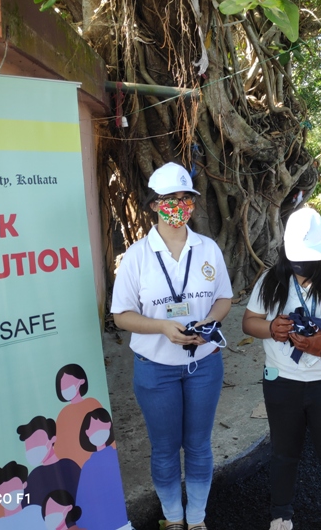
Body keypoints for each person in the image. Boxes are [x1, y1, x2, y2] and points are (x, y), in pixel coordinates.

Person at [112, 162, 233, 530]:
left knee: (198, 446)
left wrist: (208, 322)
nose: (178, 206)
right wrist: (163, 327)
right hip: (155, 369)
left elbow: (224, 298)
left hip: (204, 365)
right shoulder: (137, 256)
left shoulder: (208, 249)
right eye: (169, 199)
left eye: (185, 198)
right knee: (165, 449)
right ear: (153, 205)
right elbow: (121, 315)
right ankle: (173, 519)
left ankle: (196, 520)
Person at [242, 207, 321, 530]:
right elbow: (249, 322)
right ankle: (281, 515)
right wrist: (272, 329)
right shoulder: (272, 280)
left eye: (309, 256)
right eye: (296, 256)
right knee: (284, 453)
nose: (303, 265)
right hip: (282, 382)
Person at [75, 408, 129, 530]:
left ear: (108, 424)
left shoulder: (115, 456)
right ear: (87, 433)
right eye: (92, 429)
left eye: (100, 426)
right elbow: (82, 501)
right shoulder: (87, 466)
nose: (96, 431)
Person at [16, 416, 80, 506]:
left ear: (52, 439)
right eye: (29, 446)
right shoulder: (33, 477)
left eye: (37, 442)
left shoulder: (68, 466)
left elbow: (82, 495)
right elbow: (27, 507)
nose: (33, 448)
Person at [53, 364, 103, 468]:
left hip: (96, 460)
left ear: (81, 381)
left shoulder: (93, 403)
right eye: (63, 386)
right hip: (74, 466)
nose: (66, 388)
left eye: (68, 384)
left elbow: (105, 431)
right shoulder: (63, 414)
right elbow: (59, 446)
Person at [0, 461, 45, 530]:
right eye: (4, 491)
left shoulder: (37, 512)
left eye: (14, 487)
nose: (10, 494)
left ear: (24, 485)